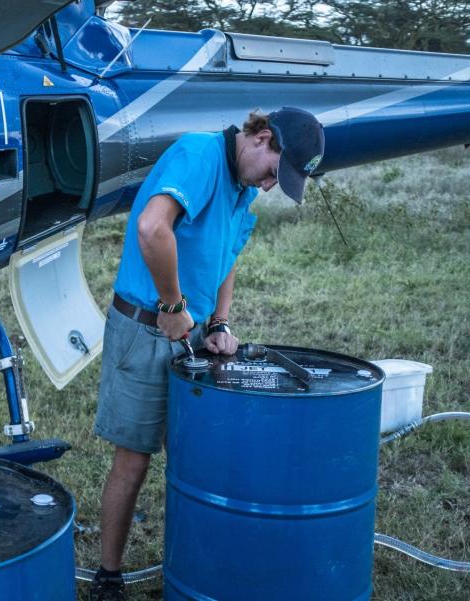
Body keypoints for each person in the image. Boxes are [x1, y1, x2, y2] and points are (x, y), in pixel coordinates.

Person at [88, 107, 325, 600]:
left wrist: (218, 321)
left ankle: (193, 566)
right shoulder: (199, 154)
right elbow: (153, 228)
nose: (267, 186)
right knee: (133, 461)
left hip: (189, 332)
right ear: (262, 138)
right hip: (146, 329)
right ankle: (108, 576)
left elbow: (227, 257)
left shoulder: (241, 188)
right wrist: (174, 305)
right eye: (272, 174)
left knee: (194, 457)